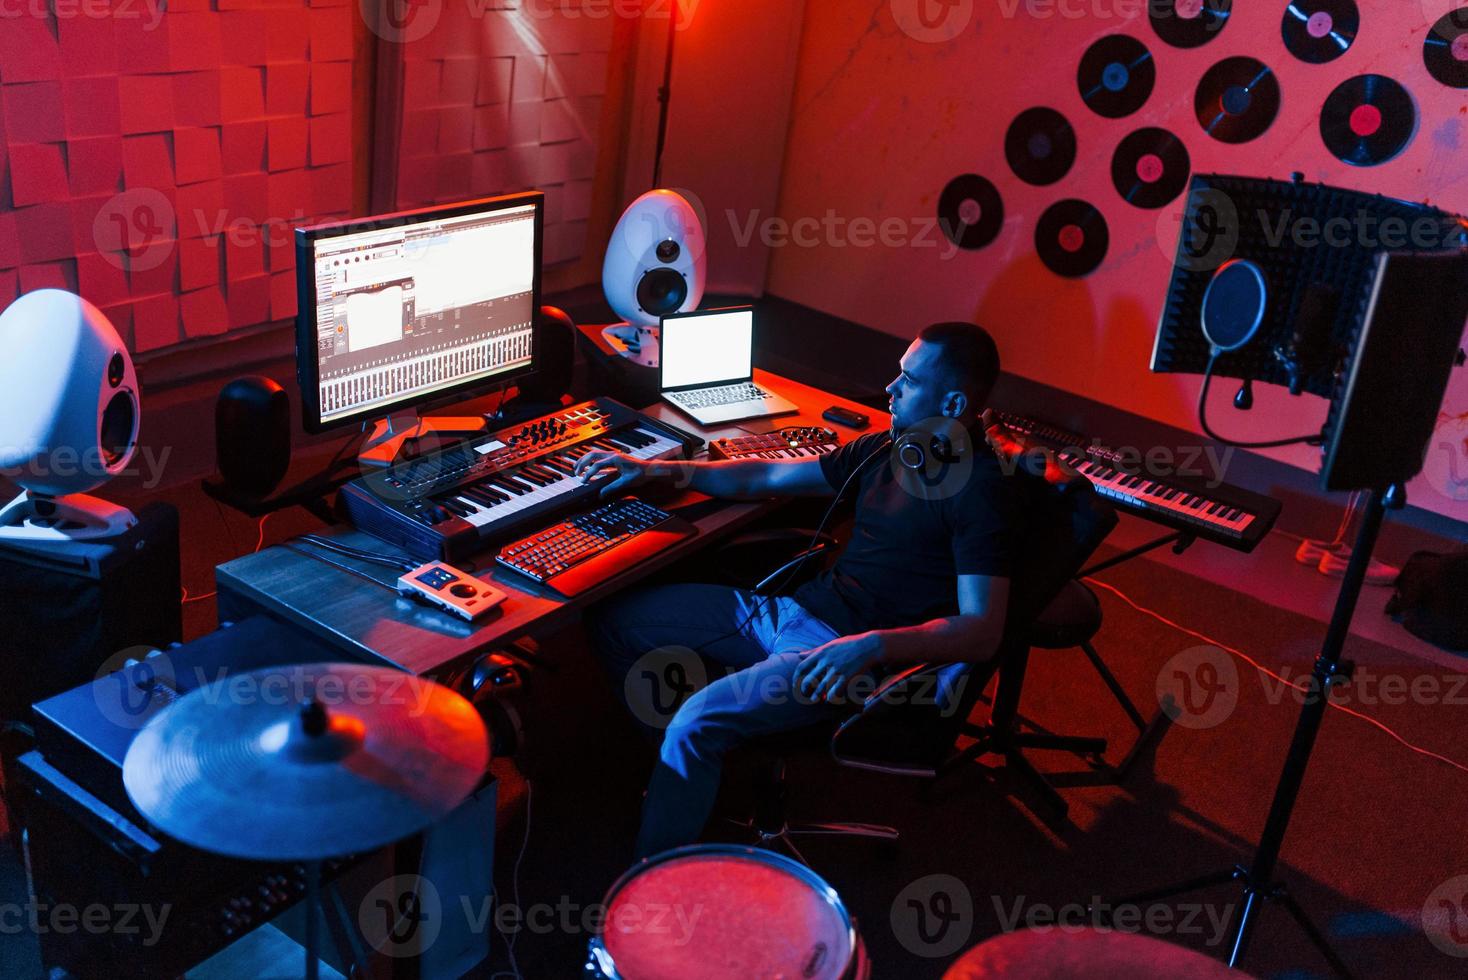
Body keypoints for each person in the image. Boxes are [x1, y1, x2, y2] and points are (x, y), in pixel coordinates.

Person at [576, 321, 1044, 858]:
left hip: (843, 656)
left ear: (954, 401)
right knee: (614, 621)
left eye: (909, 382)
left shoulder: (981, 493)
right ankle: (682, 776)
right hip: (789, 611)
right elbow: (767, 478)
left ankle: (652, 882)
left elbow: (982, 632)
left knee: (696, 720)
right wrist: (654, 471)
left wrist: (874, 645)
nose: (890, 389)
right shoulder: (886, 448)